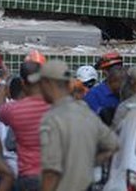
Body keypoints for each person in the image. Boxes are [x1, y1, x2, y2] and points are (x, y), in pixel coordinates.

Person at [38, 60, 120, 191]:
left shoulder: (53, 118)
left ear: (48, 83)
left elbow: (51, 173)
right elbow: (114, 145)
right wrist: (89, 162)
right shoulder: (86, 112)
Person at [0, 61, 51, 190]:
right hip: (53, 175)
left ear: (23, 83)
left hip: (28, 177)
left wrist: (3, 80)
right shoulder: (56, 106)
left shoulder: (15, 110)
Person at [84, 52, 123, 117]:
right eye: (114, 69)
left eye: (120, 68)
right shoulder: (94, 94)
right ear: (105, 72)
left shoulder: (127, 91)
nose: (119, 72)